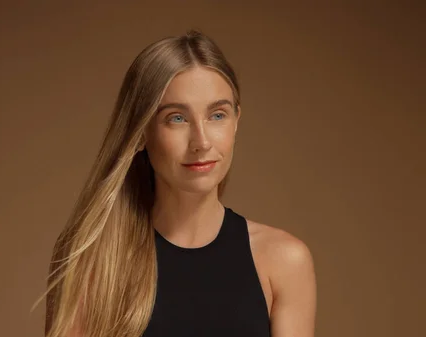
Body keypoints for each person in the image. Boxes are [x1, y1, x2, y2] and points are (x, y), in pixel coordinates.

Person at [37, 29, 317, 337]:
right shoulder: (91, 259)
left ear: (237, 120)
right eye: (177, 118)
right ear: (141, 131)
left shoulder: (284, 262)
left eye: (217, 115)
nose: (201, 141)